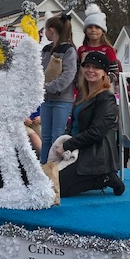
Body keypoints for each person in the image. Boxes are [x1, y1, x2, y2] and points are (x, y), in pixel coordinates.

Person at [50, 51, 124, 197]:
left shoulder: (106, 98)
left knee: (56, 189)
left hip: (94, 155)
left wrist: (67, 145)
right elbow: (73, 124)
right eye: (87, 66)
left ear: (104, 73)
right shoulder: (82, 95)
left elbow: (97, 132)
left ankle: (104, 178)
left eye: (96, 67)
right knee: (47, 182)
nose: (90, 70)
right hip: (77, 149)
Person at [40, 13, 77, 164]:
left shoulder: (69, 50)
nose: (44, 33)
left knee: (57, 137)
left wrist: (49, 87)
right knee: (46, 137)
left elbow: (69, 74)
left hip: (62, 99)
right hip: (46, 99)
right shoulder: (46, 49)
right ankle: (43, 167)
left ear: (51, 30)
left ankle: (56, 170)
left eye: (45, 30)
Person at [77, 4, 118, 77]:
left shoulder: (108, 50)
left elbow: (115, 73)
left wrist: (105, 81)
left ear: (102, 31)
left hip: (102, 87)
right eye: (90, 27)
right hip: (82, 87)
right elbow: (76, 71)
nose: (93, 30)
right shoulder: (81, 50)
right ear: (85, 30)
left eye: (97, 27)